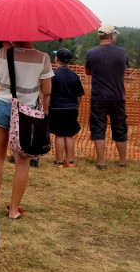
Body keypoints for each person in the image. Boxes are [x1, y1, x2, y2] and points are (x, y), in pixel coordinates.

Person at [0, 42, 53, 220]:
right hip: (26, 112)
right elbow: (47, 90)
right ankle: (13, 210)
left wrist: (4, 85)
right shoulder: (43, 58)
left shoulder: (3, 53)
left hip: (2, 105)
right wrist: (44, 112)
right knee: (22, 160)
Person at [85, 24, 129, 169]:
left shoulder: (91, 53)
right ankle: (122, 161)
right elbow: (124, 69)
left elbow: (88, 72)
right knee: (120, 128)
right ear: (111, 35)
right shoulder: (122, 52)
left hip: (99, 97)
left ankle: (101, 162)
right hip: (118, 96)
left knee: (98, 128)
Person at [49, 48, 84, 168]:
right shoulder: (74, 75)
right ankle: (69, 160)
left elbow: (47, 92)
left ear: (56, 58)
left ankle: (59, 161)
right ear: (70, 60)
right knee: (69, 134)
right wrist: (76, 106)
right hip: (71, 108)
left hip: (56, 108)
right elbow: (79, 95)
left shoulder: (52, 74)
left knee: (59, 134)